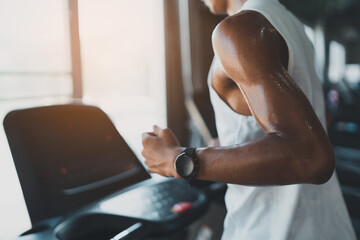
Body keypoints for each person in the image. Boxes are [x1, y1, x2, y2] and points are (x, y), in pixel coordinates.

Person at [141, 0, 356, 239]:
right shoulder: (291, 24)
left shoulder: (239, 31)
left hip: (272, 231)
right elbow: (318, 120)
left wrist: (176, 159)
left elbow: (310, 156)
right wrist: (228, 148)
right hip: (328, 227)